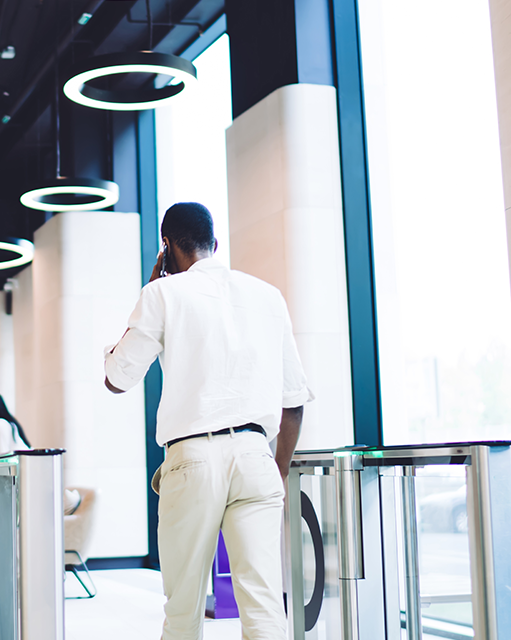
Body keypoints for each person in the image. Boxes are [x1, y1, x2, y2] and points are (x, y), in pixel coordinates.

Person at [104, 203, 314, 640]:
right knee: (264, 605)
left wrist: (150, 288)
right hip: (257, 458)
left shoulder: (161, 294)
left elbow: (117, 378)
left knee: (183, 610)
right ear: (214, 245)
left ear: (166, 247)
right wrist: (273, 471)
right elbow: (293, 402)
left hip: (193, 458)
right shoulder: (267, 295)